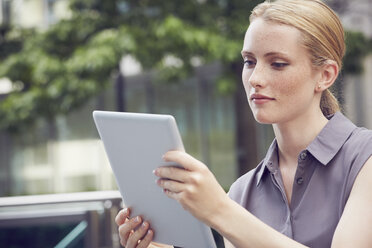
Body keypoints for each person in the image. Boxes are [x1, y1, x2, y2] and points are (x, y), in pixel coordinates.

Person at [115, 0, 372, 247]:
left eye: (278, 64)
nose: (255, 78)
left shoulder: (364, 160)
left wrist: (219, 210)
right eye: (249, 61)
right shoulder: (241, 192)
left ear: (325, 75)